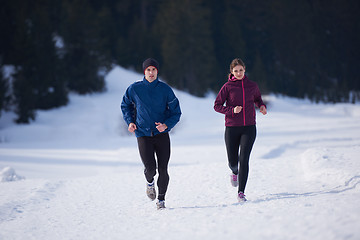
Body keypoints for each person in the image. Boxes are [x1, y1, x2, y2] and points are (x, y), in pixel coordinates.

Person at [121, 58, 181, 209]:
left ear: (157, 71)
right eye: (148, 70)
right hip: (142, 133)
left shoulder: (165, 89)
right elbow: (125, 105)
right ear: (144, 71)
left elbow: (176, 112)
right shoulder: (134, 89)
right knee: (150, 169)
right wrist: (130, 121)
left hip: (162, 135)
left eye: (154, 69)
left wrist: (166, 125)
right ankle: (149, 182)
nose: (151, 72)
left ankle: (161, 200)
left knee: (163, 169)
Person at [214, 58, 267, 202]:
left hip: (249, 127)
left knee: (244, 159)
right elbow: (217, 105)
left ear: (245, 70)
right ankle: (234, 171)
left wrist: (261, 106)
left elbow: (258, 99)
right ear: (231, 72)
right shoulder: (227, 87)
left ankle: (241, 192)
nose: (238, 73)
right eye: (236, 71)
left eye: (241, 70)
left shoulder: (252, 86)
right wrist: (232, 110)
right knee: (233, 161)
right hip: (231, 127)